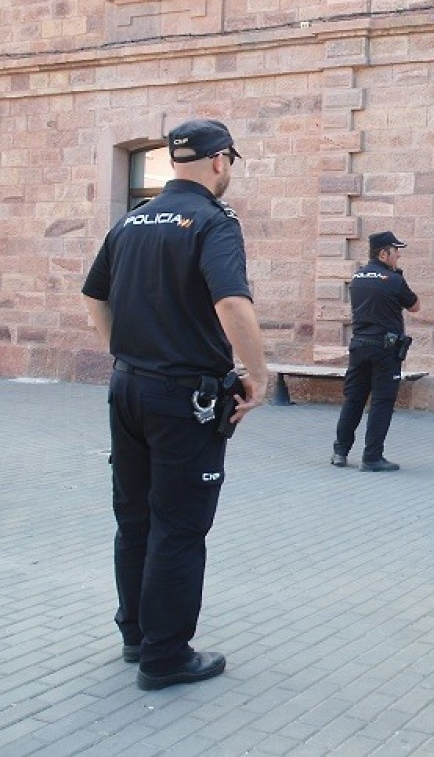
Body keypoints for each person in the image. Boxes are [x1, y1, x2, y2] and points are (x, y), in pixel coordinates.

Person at [81, 118, 268, 690]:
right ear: (219, 161)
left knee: (135, 518)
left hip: (128, 388)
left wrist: (125, 352)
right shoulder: (213, 222)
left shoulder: (131, 221)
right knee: (179, 526)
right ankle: (165, 656)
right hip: (185, 397)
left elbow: (93, 296)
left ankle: (137, 635)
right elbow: (231, 303)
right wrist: (257, 374)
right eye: (229, 162)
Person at [331, 231, 420, 472]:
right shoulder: (394, 280)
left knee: (354, 399)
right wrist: (397, 276)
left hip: (359, 346)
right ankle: (372, 458)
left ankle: (340, 452)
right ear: (383, 254)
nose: (398, 255)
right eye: (395, 251)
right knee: (382, 402)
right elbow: (415, 306)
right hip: (385, 350)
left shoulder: (358, 277)